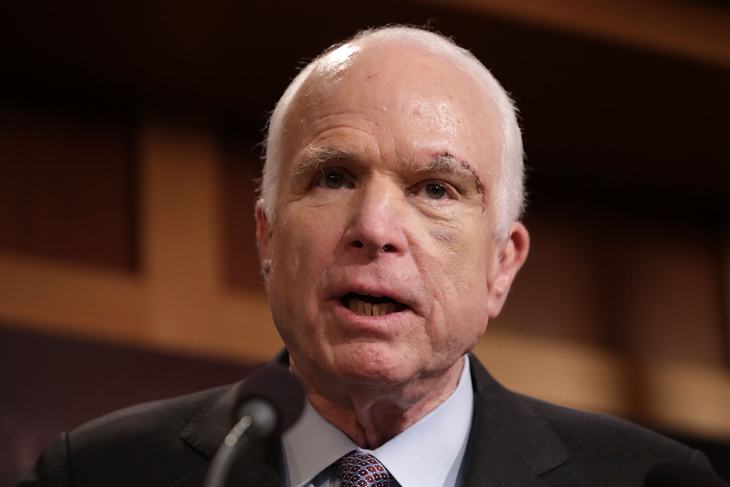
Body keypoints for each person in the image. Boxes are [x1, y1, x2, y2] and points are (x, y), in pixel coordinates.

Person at [18, 26, 721, 487]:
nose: (375, 227)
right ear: (267, 238)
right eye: (334, 177)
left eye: (436, 188)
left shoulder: (651, 481)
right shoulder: (96, 474)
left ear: (501, 265)